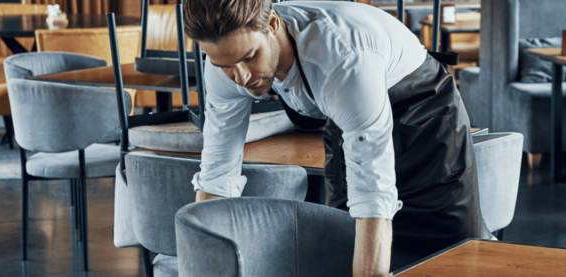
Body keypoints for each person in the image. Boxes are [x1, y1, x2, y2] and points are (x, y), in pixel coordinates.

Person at [182, 0, 486, 276]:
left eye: (250, 57)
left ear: (272, 24)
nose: (242, 77)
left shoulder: (342, 59)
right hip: (349, 117)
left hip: (425, 118)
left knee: (454, 259)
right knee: (342, 244)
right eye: (225, 67)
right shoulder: (225, 65)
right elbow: (217, 176)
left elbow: (372, 196)